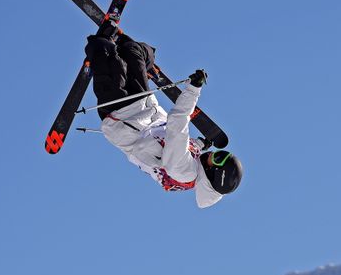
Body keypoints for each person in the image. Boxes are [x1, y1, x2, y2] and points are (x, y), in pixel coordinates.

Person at [84, 21, 243, 208]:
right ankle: (138, 54)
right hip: (144, 107)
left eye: (217, 158)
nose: (214, 154)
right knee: (135, 51)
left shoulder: (184, 171)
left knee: (107, 54)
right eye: (220, 153)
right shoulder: (193, 169)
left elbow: (177, 124)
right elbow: (183, 148)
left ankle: (101, 46)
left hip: (123, 118)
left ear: (211, 172)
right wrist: (201, 144)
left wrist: (193, 90)